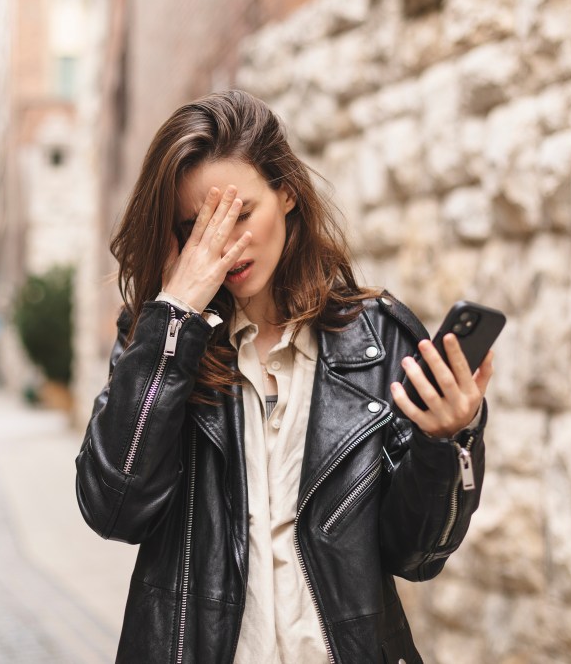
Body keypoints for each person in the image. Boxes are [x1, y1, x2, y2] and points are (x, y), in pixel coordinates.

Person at [76, 90, 494, 663]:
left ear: (288, 192)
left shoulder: (376, 341)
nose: (227, 244)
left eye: (240, 213)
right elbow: (113, 509)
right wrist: (175, 318)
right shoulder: (159, 342)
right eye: (198, 229)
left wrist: (446, 443)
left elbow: (418, 556)